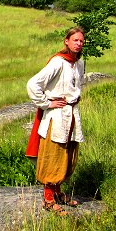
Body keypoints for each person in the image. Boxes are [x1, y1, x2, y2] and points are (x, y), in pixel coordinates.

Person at [26, 26, 85, 215]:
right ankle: (48, 199)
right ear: (66, 41)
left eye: (81, 41)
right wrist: (46, 103)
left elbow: (76, 85)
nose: (78, 43)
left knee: (67, 155)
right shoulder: (58, 62)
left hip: (72, 114)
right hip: (57, 116)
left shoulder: (78, 63)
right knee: (54, 155)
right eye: (75, 40)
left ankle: (58, 193)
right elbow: (33, 83)